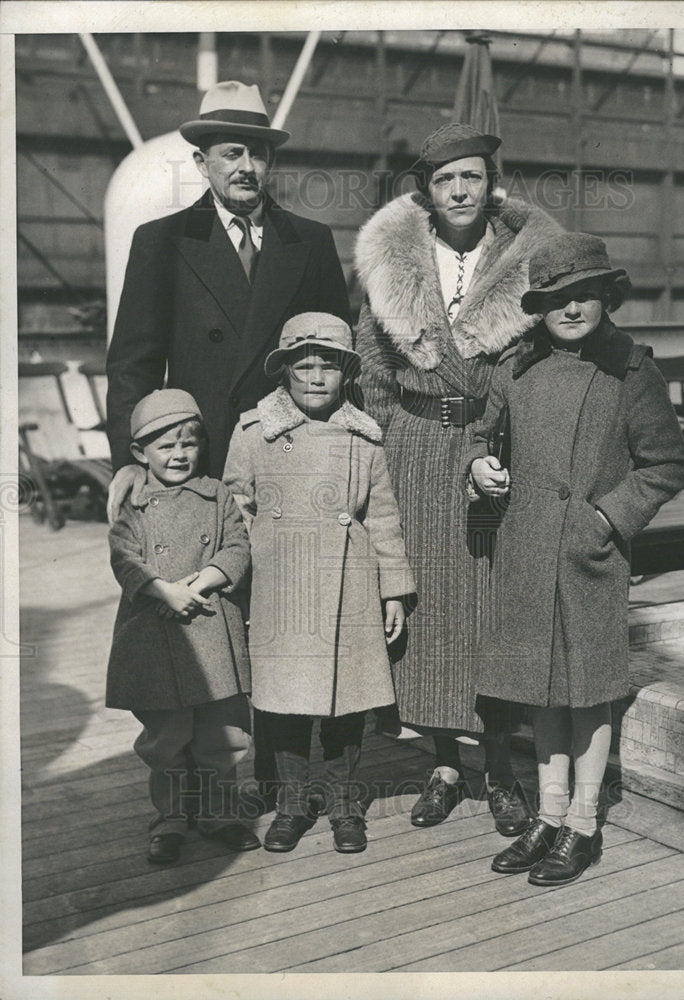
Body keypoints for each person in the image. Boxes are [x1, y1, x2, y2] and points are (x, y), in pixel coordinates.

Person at [106, 80, 351, 803]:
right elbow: (133, 362)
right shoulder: (163, 241)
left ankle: (278, 773)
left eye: (257, 154)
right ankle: (188, 794)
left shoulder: (310, 241)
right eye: (231, 153)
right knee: (197, 620)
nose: (246, 166)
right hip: (196, 468)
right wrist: (131, 463)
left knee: (282, 608)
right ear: (203, 162)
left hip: (289, 457)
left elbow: (337, 357)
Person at [354, 122, 561, 834]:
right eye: (445, 180)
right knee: (431, 611)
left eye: (471, 176)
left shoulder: (527, 258)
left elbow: (544, 357)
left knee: (492, 610)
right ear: (427, 192)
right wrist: (380, 453)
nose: (460, 190)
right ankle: (443, 765)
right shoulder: (394, 265)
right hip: (414, 449)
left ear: (490, 183)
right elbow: (373, 372)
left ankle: (501, 770)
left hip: (497, 444)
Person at [466, 232, 684, 886]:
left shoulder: (630, 370)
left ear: (606, 298)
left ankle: (584, 824)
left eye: (585, 295)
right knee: (542, 690)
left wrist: (604, 519)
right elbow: (479, 433)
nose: (570, 309)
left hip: (590, 557)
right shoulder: (516, 368)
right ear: (538, 307)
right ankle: (550, 813)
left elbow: (666, 464)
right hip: (526, 551)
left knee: (588, 693)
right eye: (556, 299)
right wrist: (478, 466)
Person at [223, 312, 416, 854]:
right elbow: (235, 507)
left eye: (327, 367)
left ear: (346, 374)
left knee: (346, 702)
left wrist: (393, 589)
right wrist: (243, 579)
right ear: (284, 370)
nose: (314, 378)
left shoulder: (362, 436)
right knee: (284, 702)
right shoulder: (254, 431)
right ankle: (290, 804)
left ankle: (344, 805)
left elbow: (383, 517)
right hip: (282, 586)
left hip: (349, 585)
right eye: (303, 366)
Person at [106, 389, 259, 865]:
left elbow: (237, 547)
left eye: (188, 444)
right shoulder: (134, 503)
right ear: (140, 453)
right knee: (166, 739)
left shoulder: (217, 495)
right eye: (165, 446)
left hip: (212, 626)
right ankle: (170, 819)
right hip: (154, 632)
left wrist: (200, 582)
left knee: (223, 736)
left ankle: (219, 814)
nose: (178, 455)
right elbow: (124, 558)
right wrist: (165, 591)